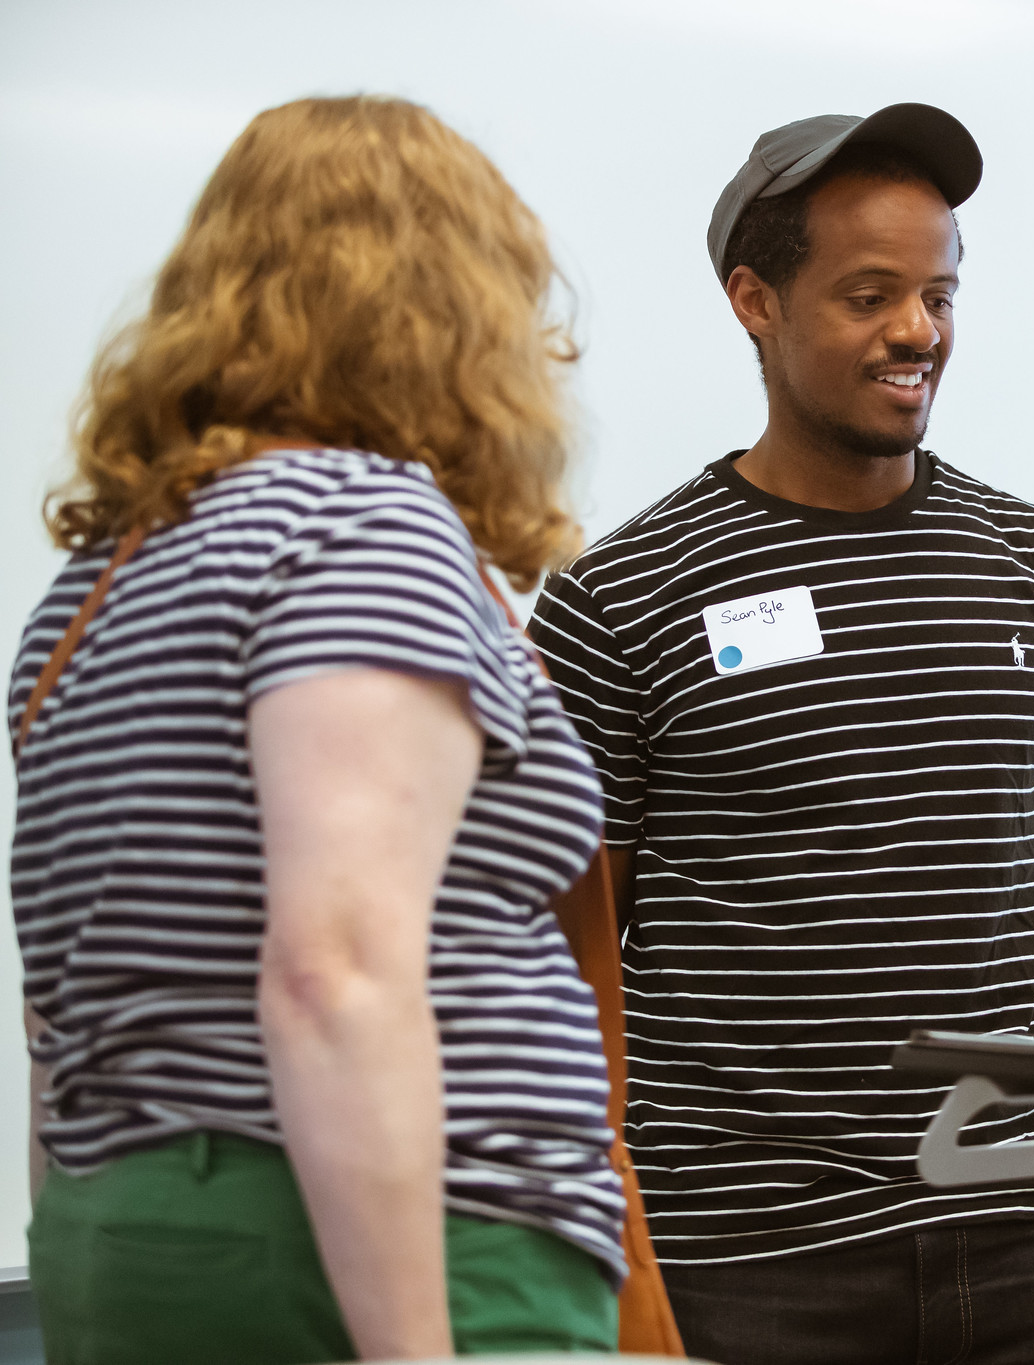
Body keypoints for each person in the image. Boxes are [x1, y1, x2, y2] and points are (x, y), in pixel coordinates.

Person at [528, 103, 1034, 1364]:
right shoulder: (620, 597)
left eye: (939, 293)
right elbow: (572, 963)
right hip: (753, 1257)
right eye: (870, 294)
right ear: (753, 300)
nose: (916, 331)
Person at [12, 96, 624, 1362]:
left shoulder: (99, 582)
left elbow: (60, 1007)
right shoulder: (361, 529)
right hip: (394, 1245)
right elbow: (333, 974)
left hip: (123, 1226)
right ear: (450, 305)